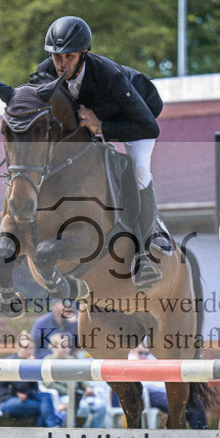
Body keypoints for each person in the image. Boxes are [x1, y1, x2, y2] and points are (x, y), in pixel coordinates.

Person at [35, 15, 165, 289]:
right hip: (90, 122)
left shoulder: (110, 75)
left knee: (138, 169)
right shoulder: (45, 72)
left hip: (135, 116)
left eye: (68, 57)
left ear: (84, 53)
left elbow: (148, 127)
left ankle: (145, 250)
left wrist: (102, 126)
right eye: (55, 56)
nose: (60, 64)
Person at [0, 331, 61, 427]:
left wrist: (33, 367)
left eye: (31, 348)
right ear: (18, 348)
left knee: (46, 398)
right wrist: (31, 368)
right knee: (44, 408)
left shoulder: (30, 362)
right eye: (25, 347)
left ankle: (46, 432)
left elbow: (34, 388)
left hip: (27, 397)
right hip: (8, 400)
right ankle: (51, 429)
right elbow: (20, 386)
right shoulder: (10, 362)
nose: (29, 351)